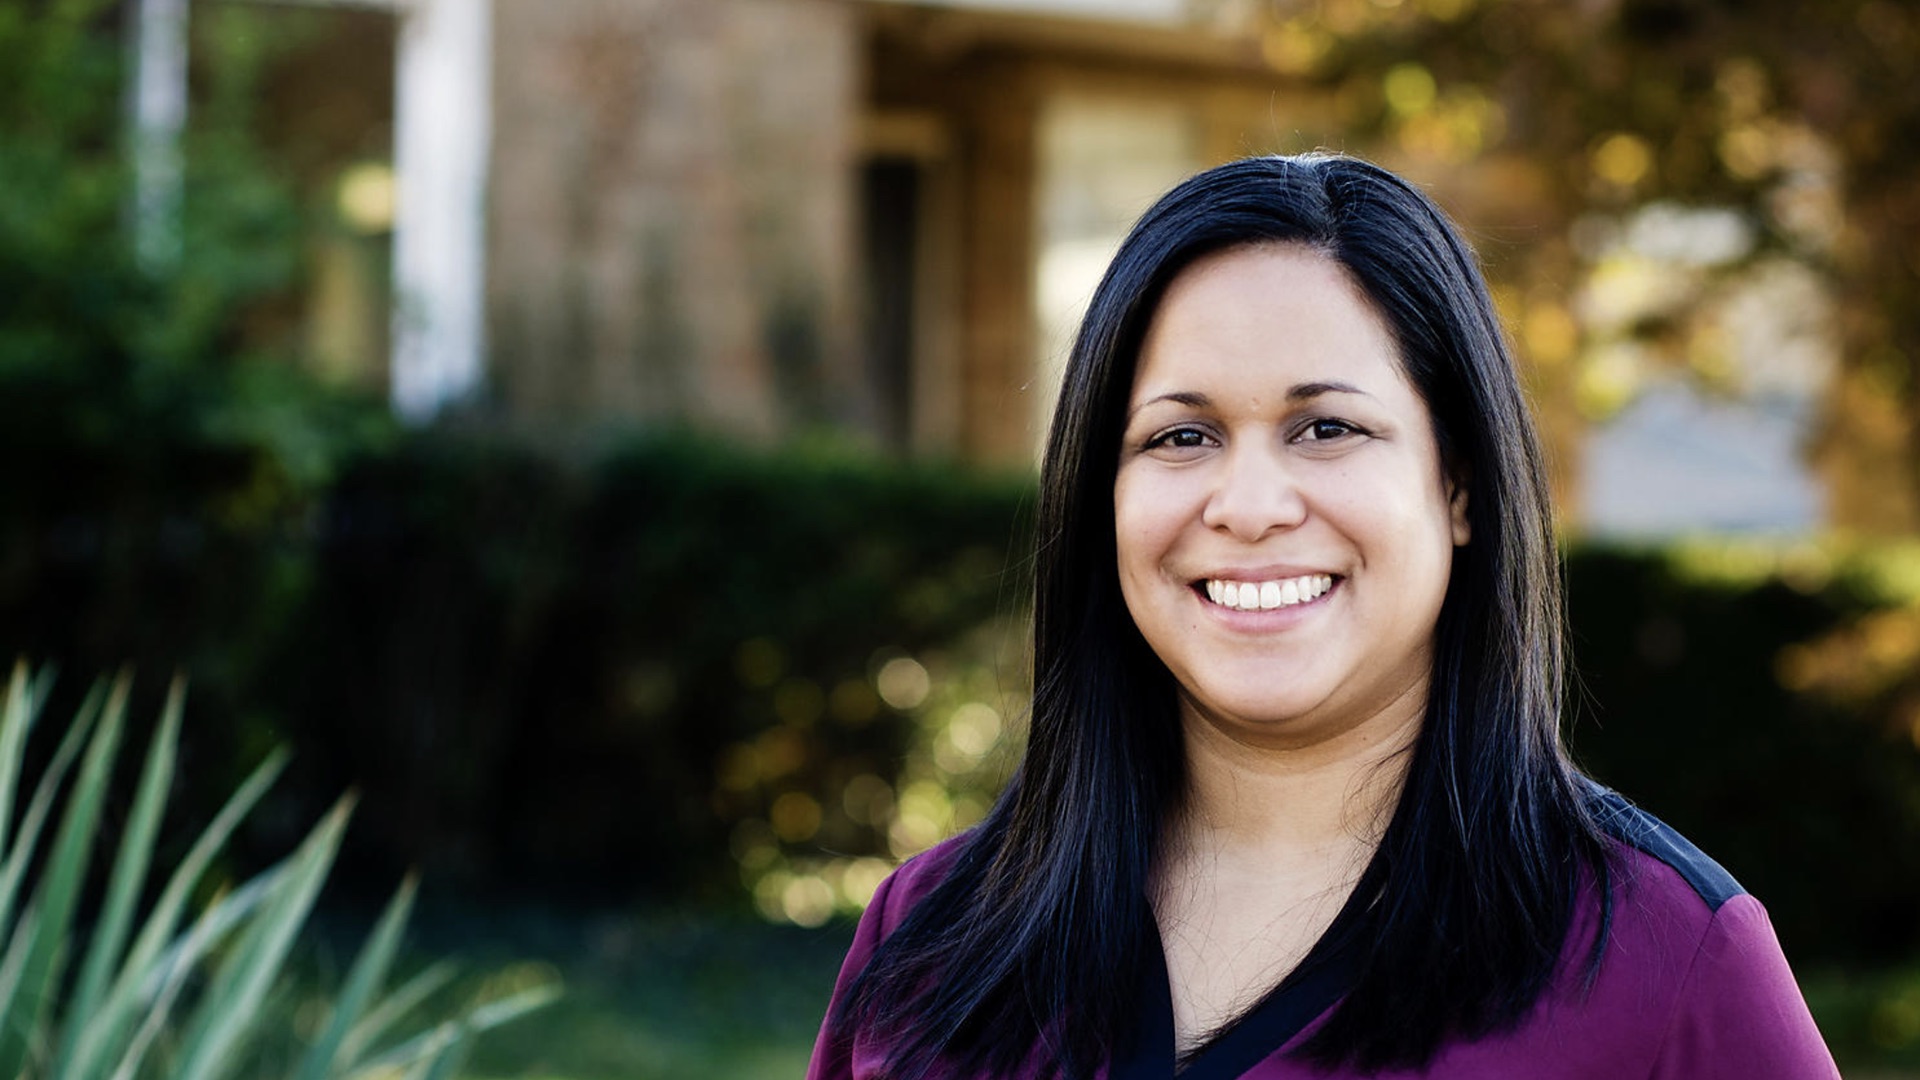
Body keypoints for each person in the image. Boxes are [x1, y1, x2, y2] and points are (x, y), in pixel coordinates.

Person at [806, 153, 1840, 1079]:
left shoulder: (1665, 959)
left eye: (1327, 427)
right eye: (1181, 437)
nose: (1250, 506)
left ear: (1462, 486)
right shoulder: (927, 941)